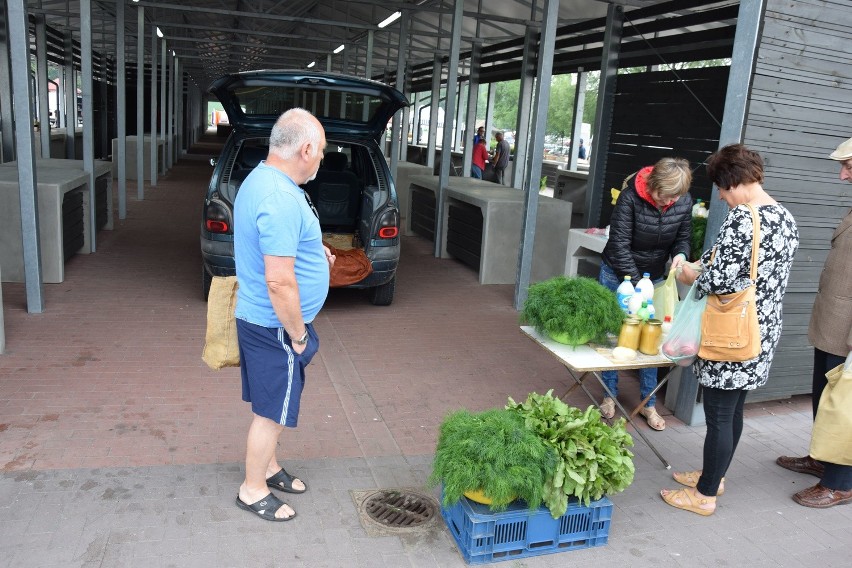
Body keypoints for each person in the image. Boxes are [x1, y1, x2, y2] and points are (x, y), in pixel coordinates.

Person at [661, 144, 799, 516]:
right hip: (761, 330)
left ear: (735, 181)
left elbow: (719, 280)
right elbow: (743, 266)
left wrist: (688, 273)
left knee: (720, 416)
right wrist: (701, 263)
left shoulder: (744, 217)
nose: (721, 197)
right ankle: (714, 476)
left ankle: (705, 495)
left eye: (722, 188)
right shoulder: (784, 216)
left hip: (730, 333)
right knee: (733, 411)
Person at [232, 108, 336, 522]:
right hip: (275, 326)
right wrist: (297, 335)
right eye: (323, 151)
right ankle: (252, 489)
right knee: (272, 413)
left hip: (265, 321)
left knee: (270, 402)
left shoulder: (265, 179)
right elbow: (279, 282)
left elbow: (280, 244)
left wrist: (316, 250)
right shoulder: (278, 198)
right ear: (306, 148)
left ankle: (270, 469)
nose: (322, 158)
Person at [777, 136, 852, 508]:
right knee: (824, 397)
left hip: (848, 334)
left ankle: (840, 483)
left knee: (845, 406)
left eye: (849, 167)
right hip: (833, 325)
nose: (842, 176)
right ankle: (823, 460)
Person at [598, 157, 694, 430]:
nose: (667, 203)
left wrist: (681, 254)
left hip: (655, 278)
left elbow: (683, 237)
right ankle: (609, 396)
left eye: (673, 199)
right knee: (615, 335)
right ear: (652, 185)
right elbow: (619, 245)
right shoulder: (630, 198)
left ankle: (648, 403)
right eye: (663, 197)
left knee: (651, 336)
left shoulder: (682, 201)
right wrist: (638, 285)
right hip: (618, 275)